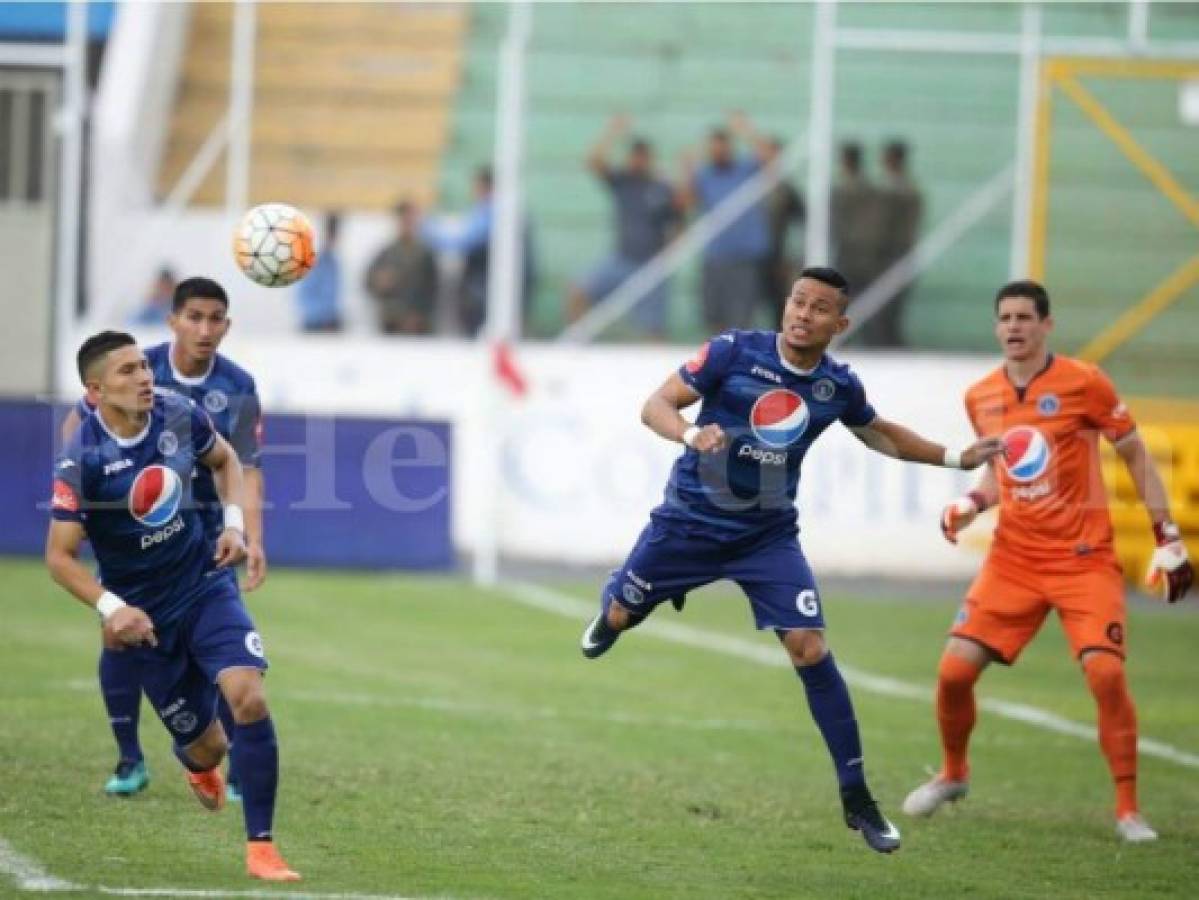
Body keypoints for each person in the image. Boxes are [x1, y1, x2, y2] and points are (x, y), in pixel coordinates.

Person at [580, 266, 1003, 854]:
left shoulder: (836, 386)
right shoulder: (733, 352)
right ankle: (617, 605)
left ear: (840, 322)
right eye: (798, 301)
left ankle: (858, 797)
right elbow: (656, 404)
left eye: (819, 307)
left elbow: (879, 434)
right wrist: (688, 435)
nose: (804, 313)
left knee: (809, 645)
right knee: (623, 614)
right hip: (689, 523)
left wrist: (957, 457)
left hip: (766, 538)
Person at [902, 279, 1194, 842]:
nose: (1013, 327)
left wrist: (1167, 536)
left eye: (1024, 317)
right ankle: (953, 774)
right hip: (1013, 561)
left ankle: (1129, 810)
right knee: (953, 671)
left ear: (1046, 325)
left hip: (1083, 562)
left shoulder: (1084, 383)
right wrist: (972, 500)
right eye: (1005, 318)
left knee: (1105, 673)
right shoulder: (980, 395)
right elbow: (1000, 467)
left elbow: (1133, 451)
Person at [47, 331, 298, 881]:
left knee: (248, 696)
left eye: (143, 366)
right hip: (146, 618)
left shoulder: (177, 414)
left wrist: (233, 527)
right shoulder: (81, 458)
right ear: (95, 390)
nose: (143, 378)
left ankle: (262, 847)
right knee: (207, 748)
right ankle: (197, 764)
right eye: (127, 372)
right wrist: (112, 607)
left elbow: (227, 461)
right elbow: (60, 558)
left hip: (205, 582)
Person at [61, 277, 267, 804]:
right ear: (173, 320)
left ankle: (229, 757)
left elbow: (240, 462)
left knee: (224, 652)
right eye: (193, 317)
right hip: (131, 532)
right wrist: (84, 482)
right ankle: (130, 757)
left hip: (200, 533)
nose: (204, 328)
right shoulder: (132, 363)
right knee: (119, 633)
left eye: (215, 318)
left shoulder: (235, 385)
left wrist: (245, 530)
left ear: (226, 324)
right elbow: (78, 427)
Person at [567, 115, 681, 340]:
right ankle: (580, 351)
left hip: (650, 264)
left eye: (642, 157)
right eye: (635, 156)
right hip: (622, 259)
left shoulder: (660, 187)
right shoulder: (622, 181)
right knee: (578, 292)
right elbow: (593, 162)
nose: (638, 161)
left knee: (654, 329)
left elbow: (678, 216)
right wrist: (612, 132)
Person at [681, 114, 772, 333]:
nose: (719, 152)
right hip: (716, 256)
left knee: (743, 317)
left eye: (722, 147)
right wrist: (686, 171)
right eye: (714, 148)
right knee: (714, 316)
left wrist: (746, 129)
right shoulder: (705, 174)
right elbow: (685, 202)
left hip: (745, 258)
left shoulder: (745, 169)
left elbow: (770, 158)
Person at [866, 141, 923, 347]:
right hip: (891, 252)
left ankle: (887, 342)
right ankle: (884, 340)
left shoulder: (898, 190)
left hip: (892, 253)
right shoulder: (903, 188)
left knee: (890, 304)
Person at [830, 142, 883, 339]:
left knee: (846, 296)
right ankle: (868, 337)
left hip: (850, 250)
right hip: (867, 251)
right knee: (864, 295)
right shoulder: (871, 188)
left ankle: (852, 336)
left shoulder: (844, 189)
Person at [364, 202, 437, 335]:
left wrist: (418, 316)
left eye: (411, 220)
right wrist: (379, 282)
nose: (408, 224)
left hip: (418, 327)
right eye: (405, 219)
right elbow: (369, 281)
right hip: (392, 324)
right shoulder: (387, 252)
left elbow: (432, 291)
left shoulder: (425, 254)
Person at [759, 135, 805, 322]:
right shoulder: (750, 189)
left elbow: (802, 224)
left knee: (778, 306)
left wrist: (790, 256)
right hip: (749, 259)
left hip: (777, 259)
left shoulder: (788, 191)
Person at [296, 213, 344, 332]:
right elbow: (304, 295)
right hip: (316, 324)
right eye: (331, 233)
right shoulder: (313, 262)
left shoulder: (333, 262)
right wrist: (322, 316)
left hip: (332, 323)